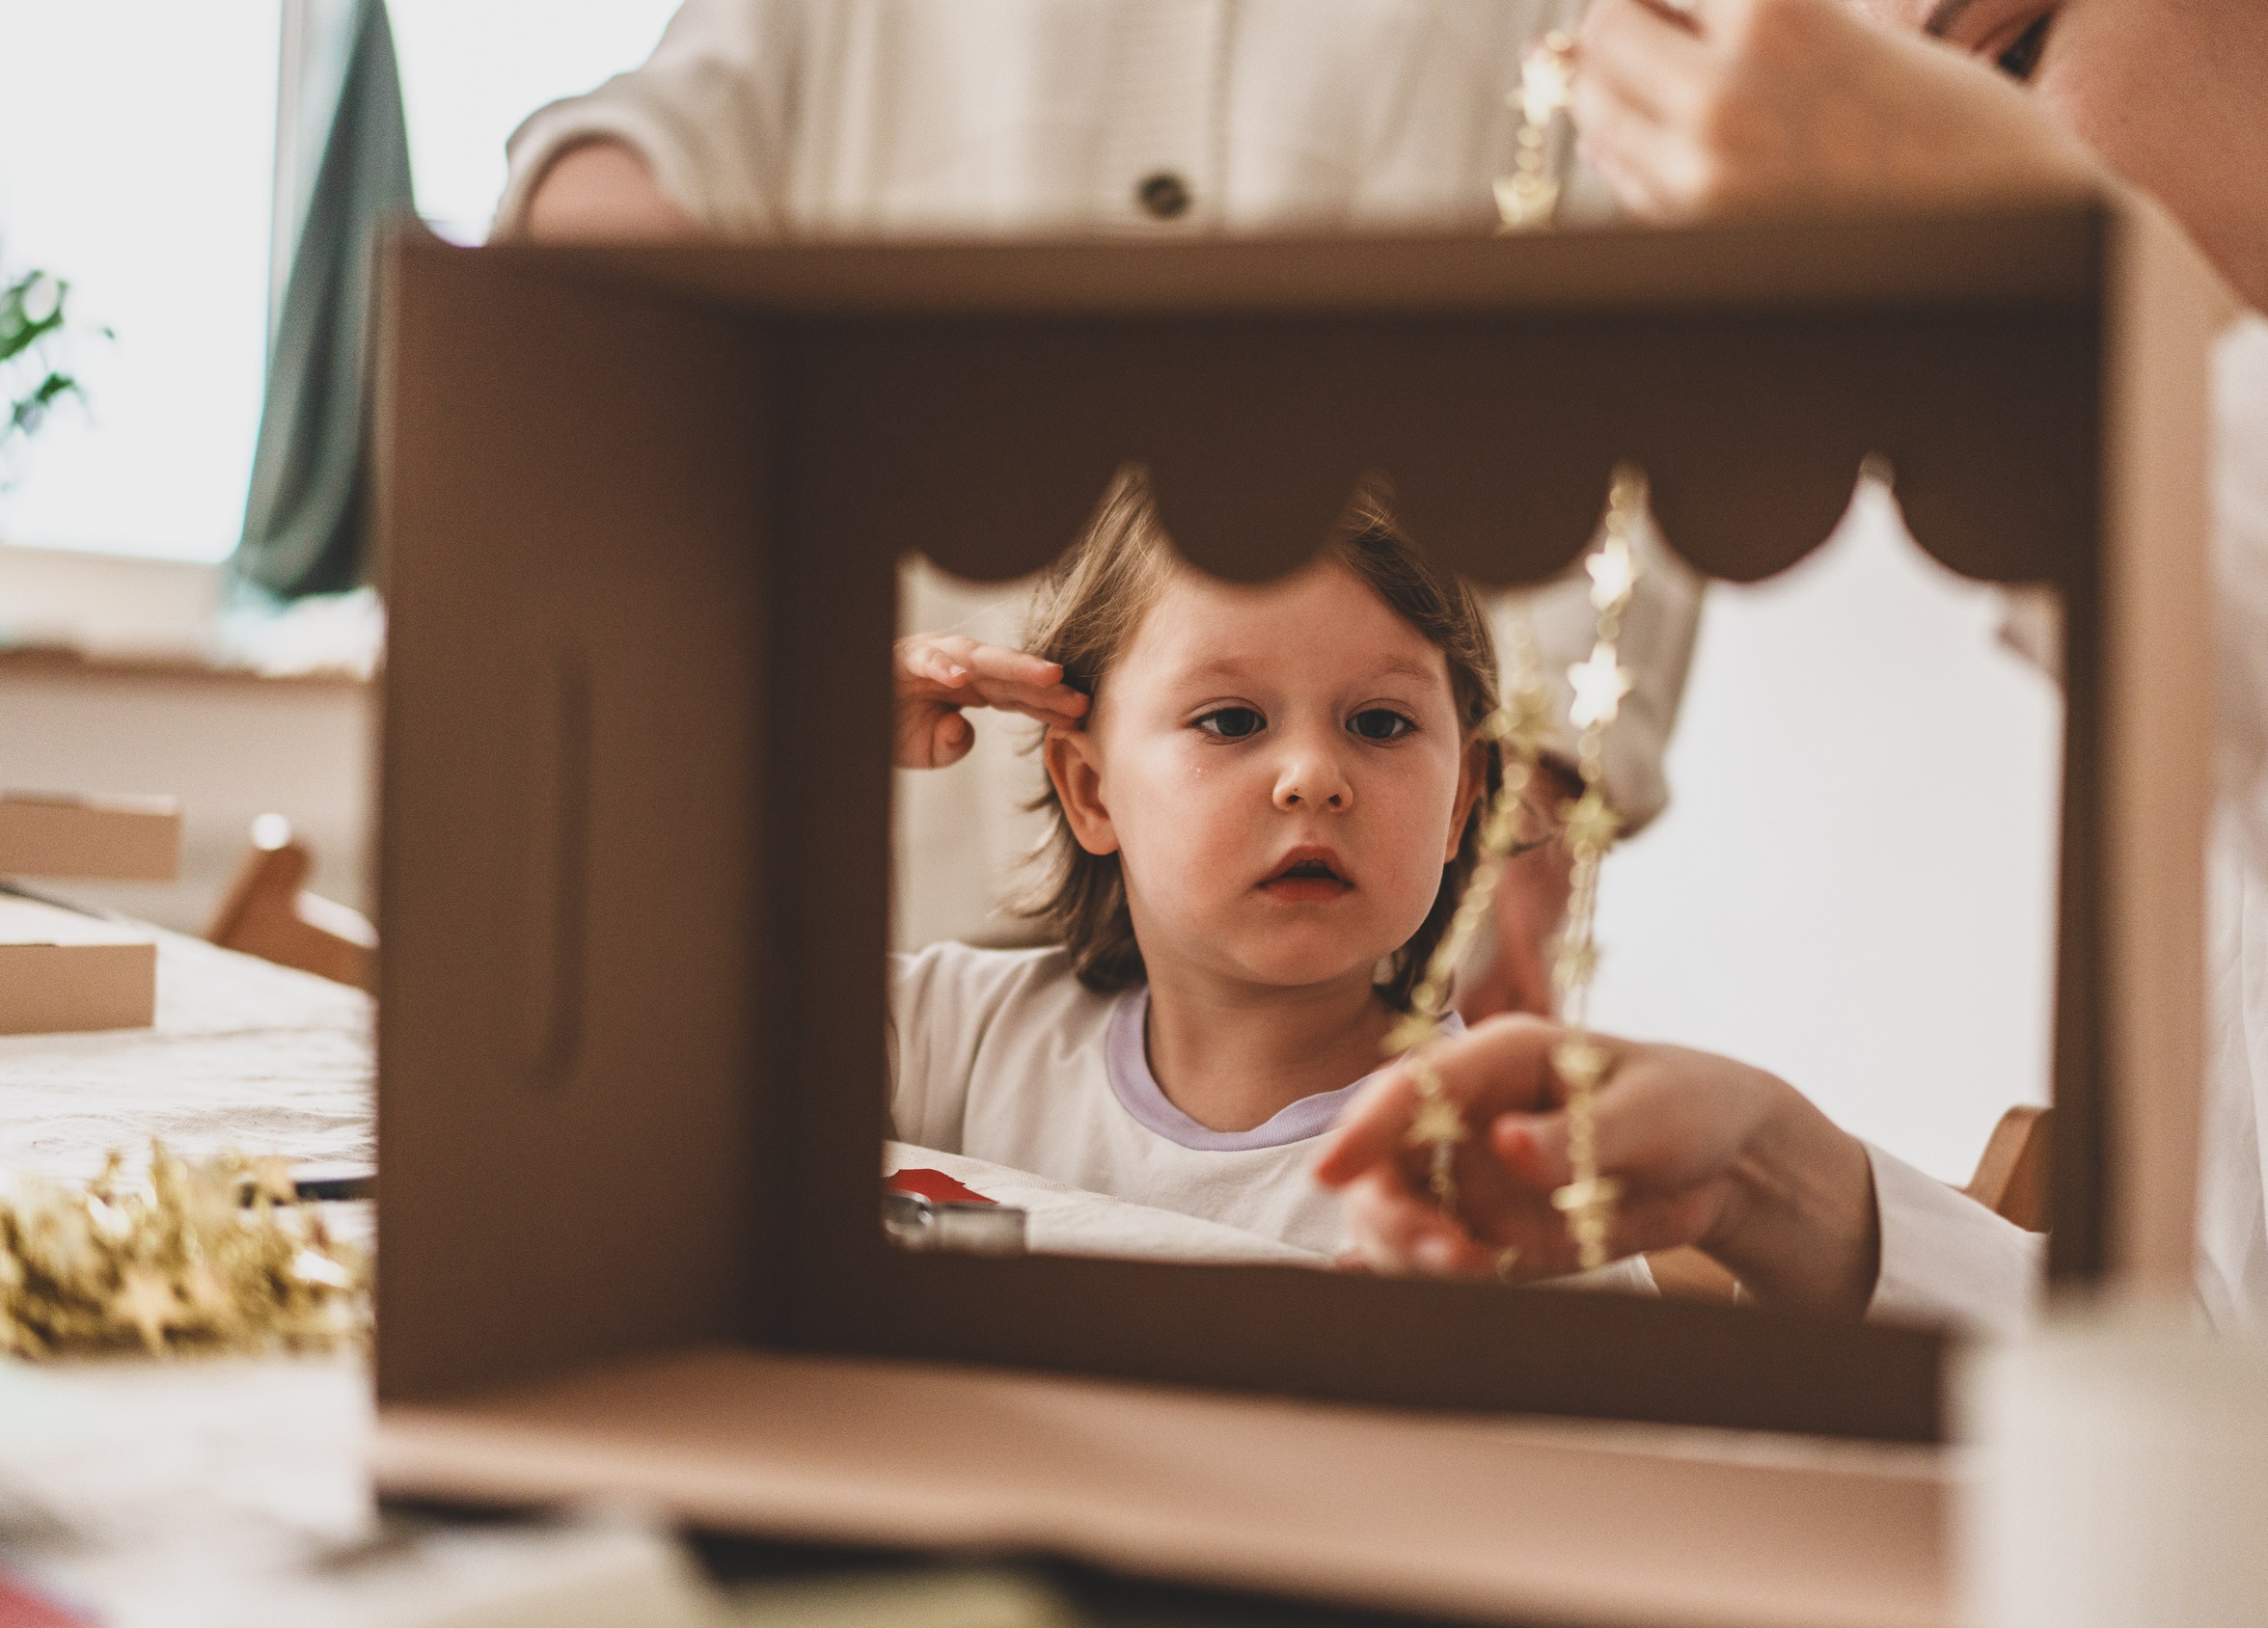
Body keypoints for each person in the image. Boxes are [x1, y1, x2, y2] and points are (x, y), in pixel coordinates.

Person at [1319, 0, 2268, 1337]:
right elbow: (2254, 1362)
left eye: (2009, 56)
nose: (1917, 241)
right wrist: (1781, 1184)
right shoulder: (2213, 622)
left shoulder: (2254, 590)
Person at [495, 0, 1706, 1017]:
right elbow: (643, 151)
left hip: (1404, 917)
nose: (1298, 780)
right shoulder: (943, 1031)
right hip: (920, 839)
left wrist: (1535, 788)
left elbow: (1665, 316)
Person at [881, 477, 1493, 1258]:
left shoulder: (1501, 1167)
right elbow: (686, 1047)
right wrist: (814, 722)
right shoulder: (954, 1035)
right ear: (1091, 790)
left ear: (1458, 801)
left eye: (1380, 722)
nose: (1311, 776)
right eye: (1232, 720)